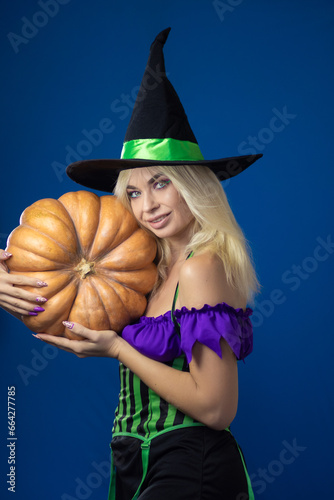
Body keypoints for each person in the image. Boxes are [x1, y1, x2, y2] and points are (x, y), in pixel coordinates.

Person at [0, 28, 263, 500]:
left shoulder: (202, 267)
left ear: (194, 185)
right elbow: (76, 318)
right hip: (132, 460)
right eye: (134, 192)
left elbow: (216, 407)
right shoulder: (151, 271)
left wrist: (120, 351)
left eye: (161, 182)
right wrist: (10, 281)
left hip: (190, 463)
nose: (147, 207)